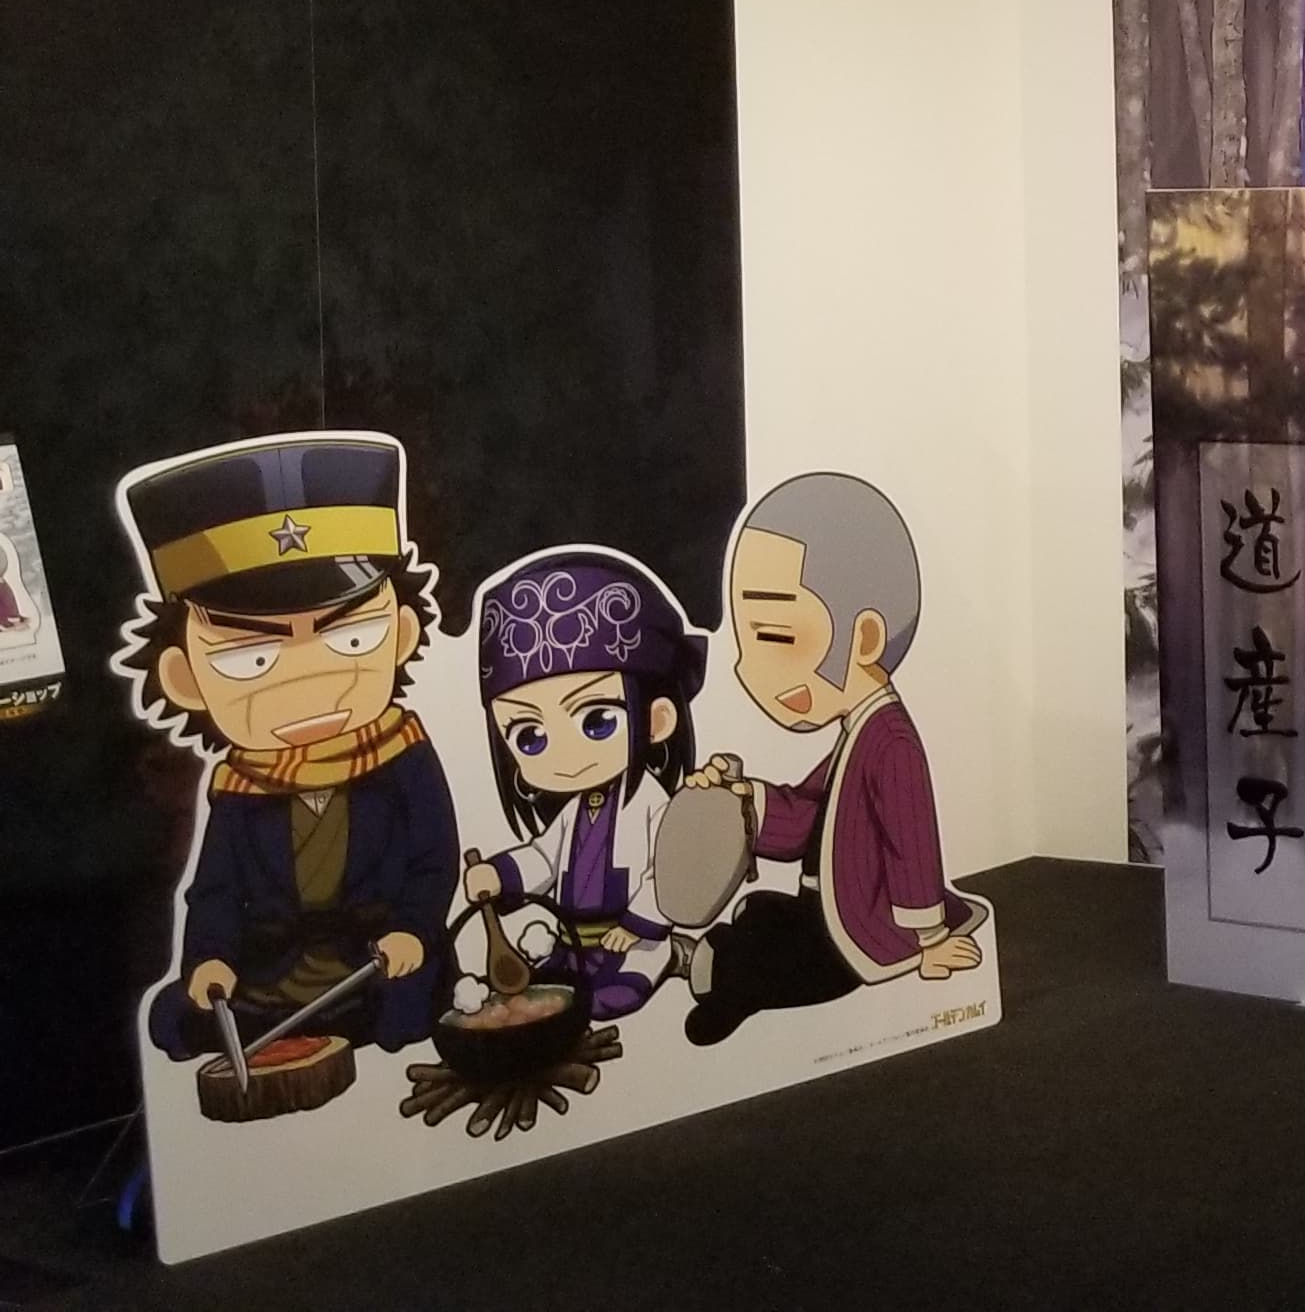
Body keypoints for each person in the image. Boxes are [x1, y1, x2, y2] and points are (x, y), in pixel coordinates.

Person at [114, 433, 455, 1064]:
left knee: (408, 1009)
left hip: (374, 962)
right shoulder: (240, 783)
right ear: (183, 677)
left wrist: (411, 929)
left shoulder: (403, 753)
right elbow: (214, 890)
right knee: (178, 1019)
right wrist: (210, 958)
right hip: (274, 973)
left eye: (351, 639)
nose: (308, 682)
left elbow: (434, 860)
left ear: (401, 634)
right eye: (252, 657)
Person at [678, 473, 983, 1046]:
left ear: (864, 639)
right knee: (763, 912)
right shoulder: (856, 733)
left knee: (786, 964)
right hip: (828, 906)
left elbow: (912, 847)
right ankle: (722, 957)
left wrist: (930, 940)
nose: (746, 669)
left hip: (863, 928)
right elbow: (808, 811)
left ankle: (723, 984)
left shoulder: (891, 743)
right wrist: (745, 801)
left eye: (773, 637)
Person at [462, 548, 703, 1020]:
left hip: (633, 941)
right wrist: (500, 875)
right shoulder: (573, 813)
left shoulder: (653, 804)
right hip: (569, 940)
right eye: (530, 736)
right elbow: (543, 857)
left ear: (656, 720)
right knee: (546, 998)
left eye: (597, 721)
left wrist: (639, 925)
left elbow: (669, 872)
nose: (565, 756)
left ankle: (673, 955)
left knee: (611, 997)